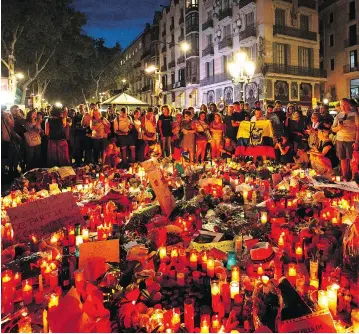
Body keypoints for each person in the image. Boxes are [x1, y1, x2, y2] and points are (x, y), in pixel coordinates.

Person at [332, 98, 359, 180]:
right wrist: (339, 127)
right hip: (340, 140)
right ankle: (345, 176)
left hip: (350, 140)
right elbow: (333, 129)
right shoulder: (338, 115)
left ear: (348, 105)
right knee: (342, 158)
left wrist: (357, 141)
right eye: (341, 105)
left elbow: (358, 128)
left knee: (351, 159)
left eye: (344, 105)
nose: (342, 107)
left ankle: (353, 177)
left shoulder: (354, 114)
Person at [1, 105, 22, 177]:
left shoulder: (18, 118)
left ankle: (14, 169)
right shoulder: (7, 116)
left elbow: (12, 126)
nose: (17, 112)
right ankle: (8, 170)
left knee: (15, 155)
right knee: (8, 156)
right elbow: (11, 127)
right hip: (7, 139)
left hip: (15, 140)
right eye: (15, 110)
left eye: (17, 110)